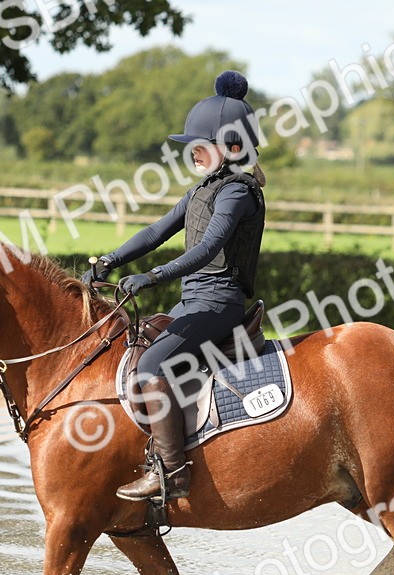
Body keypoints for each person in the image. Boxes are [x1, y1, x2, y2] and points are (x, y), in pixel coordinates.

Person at [83, 70, 267, 503]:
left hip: (220, 302)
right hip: (194, 301)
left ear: (232, 146)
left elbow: (207, 249)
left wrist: (152, 277)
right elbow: (156, 231)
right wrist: (111, 260)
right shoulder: (203, 190)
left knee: (149, 369)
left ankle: (172, 472)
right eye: (192, 147)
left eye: (201, 146)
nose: (194, 154)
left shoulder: (237, 193)